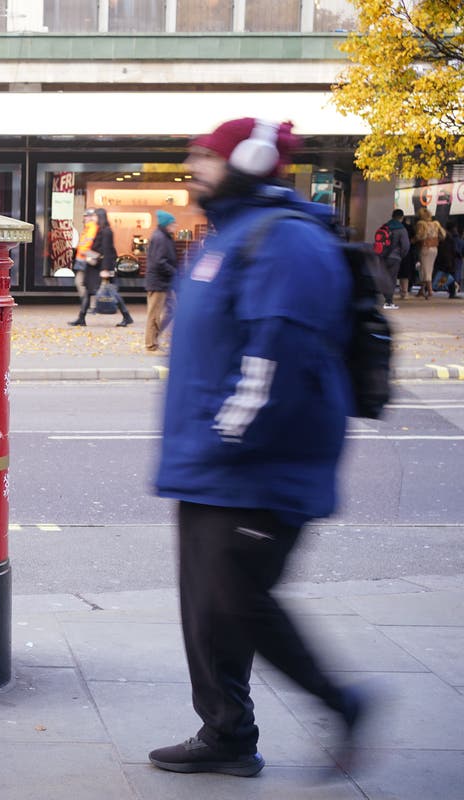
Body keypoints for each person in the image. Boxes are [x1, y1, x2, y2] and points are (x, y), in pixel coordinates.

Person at [150, 118, 368, 778]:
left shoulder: (286, 242)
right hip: (208, 465)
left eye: (205, 156)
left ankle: (343, 702)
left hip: (256, 466)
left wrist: (225, 435)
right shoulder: (229, 235)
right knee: (206, 608)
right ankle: (226, 733)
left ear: (245, 160)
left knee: (237, 601)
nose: (194, 165)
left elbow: (276, 357)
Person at [83, 208, 133, 327]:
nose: (92, 218)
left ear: (100, 217)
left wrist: (105, 269)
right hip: (99, 266)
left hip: (103, 267)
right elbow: (99, 249)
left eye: (94, 216)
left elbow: (106, 250)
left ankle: (127, 316)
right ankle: (81, 316)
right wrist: (88, 254)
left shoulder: (106, 231)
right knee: (90, 291)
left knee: (110, 291)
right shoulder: (100, 230)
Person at [144, 209, 178, 351]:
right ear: (166, 224)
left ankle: (155, 337)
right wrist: (174, 272)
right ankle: (151, 344)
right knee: (154, 314)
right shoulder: (160, 238)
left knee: (172, 309)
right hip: (158, 282)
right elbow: (159, 261)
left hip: (164, 281)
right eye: (173, 223)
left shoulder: (164, 236)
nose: (175, 225)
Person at [68, 208, 100, 326]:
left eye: (86, 216)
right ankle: (89, 304)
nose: (84, 218)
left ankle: (89, 304)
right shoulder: (89, 227)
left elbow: (89, 242)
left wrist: (83, 248)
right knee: (83, 283)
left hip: (86, 258)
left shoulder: (92, 227)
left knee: (83, 283)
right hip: (83, 258)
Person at [378, 209, 410, 309]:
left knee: (383, 277)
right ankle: (389, 301)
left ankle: (381, 297)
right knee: (391, 279)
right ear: (402, 217)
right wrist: (401, 255)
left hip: (383, 256)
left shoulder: (385, 226)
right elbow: (405, 246)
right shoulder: (401, 229)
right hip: (394, 258)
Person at [412, 207, 445, 300]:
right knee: (428, 268)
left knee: (425, 270)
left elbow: (419, 236)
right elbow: (442, 235)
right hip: (434, 248)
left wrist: (412, 241)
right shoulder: (435, 224)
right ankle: (422, 290)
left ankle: (430, 291)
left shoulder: (421, 224)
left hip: (425, 248)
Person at [431, 221, 459, 298]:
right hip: (447, 260)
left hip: (442, 260)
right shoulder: (447, 237)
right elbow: (450, 250)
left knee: (444, 276)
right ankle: (450, 292)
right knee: (448, 276)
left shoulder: (441, 237)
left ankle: (433, 287)